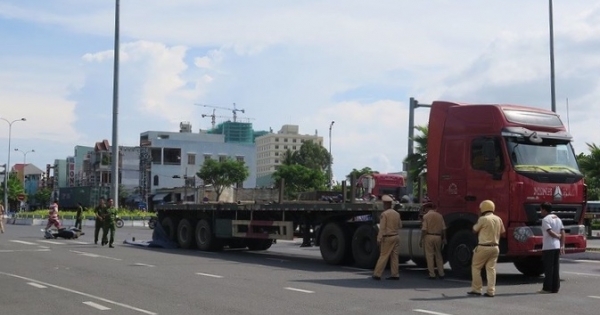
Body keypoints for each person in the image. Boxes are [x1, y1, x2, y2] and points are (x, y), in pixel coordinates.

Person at [468, 200, 505, 297]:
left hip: (483, 247)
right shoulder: (498, 219)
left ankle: (477, 289)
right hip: (495, 247)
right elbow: (502, 232)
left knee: (476, 267)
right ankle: (491, 291)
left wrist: (478, 218)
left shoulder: (483, 219)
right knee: (491, 269)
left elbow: (474, 230)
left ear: (483, 208)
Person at [372, 194, 402, 280]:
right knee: (394, 256)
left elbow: (382, 228)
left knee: (383, 256)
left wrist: (379, 238)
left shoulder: (384, 214)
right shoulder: (397, 214)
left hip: (387, 237)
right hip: (396, 236)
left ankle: (377, 274)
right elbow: (400, 225)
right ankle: (395, 274)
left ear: (386, 204)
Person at [539, 202, 565, 294]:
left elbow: (549, 231)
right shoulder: (557, 218)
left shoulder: (545, 219)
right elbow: (563, 231)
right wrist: (562, 244)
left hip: (548, 246)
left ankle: (547, 288)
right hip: (557, 246)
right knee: (556, 267)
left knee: (548, 268)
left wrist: (557, 236)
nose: (540, 211)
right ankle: (555, 287)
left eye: (541, 209)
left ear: (545, 210)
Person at [420, 202, 446, 279]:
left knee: (430, 256)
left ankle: (432, 274)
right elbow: (444, 228)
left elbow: (424, 229)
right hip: (438, 236)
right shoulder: (440, 216)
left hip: (429, 236)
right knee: (438, 255)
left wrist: (421, 239)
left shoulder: (426, 216)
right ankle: (441, 273)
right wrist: (444, 238)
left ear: (427, 209)